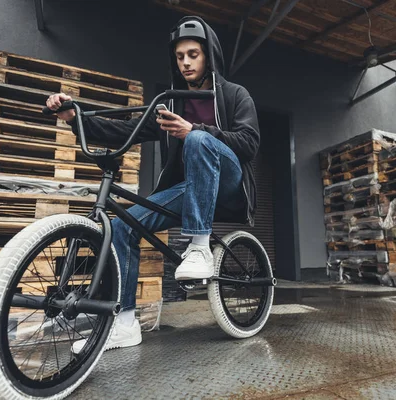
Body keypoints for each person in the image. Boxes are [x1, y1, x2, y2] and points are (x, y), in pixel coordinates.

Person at [46, 16, 260, 352]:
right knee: (120, 228)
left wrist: (196, 131)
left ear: (209, 56)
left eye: (193, 54)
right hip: (188, 191)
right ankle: (125, 322)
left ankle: (199, 247)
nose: (186, 62)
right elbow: (124, 129)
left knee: (198, 141)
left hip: (228, 185)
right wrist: (77, 118)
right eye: (180, 57)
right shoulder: (171, 103)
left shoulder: (234, 95)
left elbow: (249, 143)